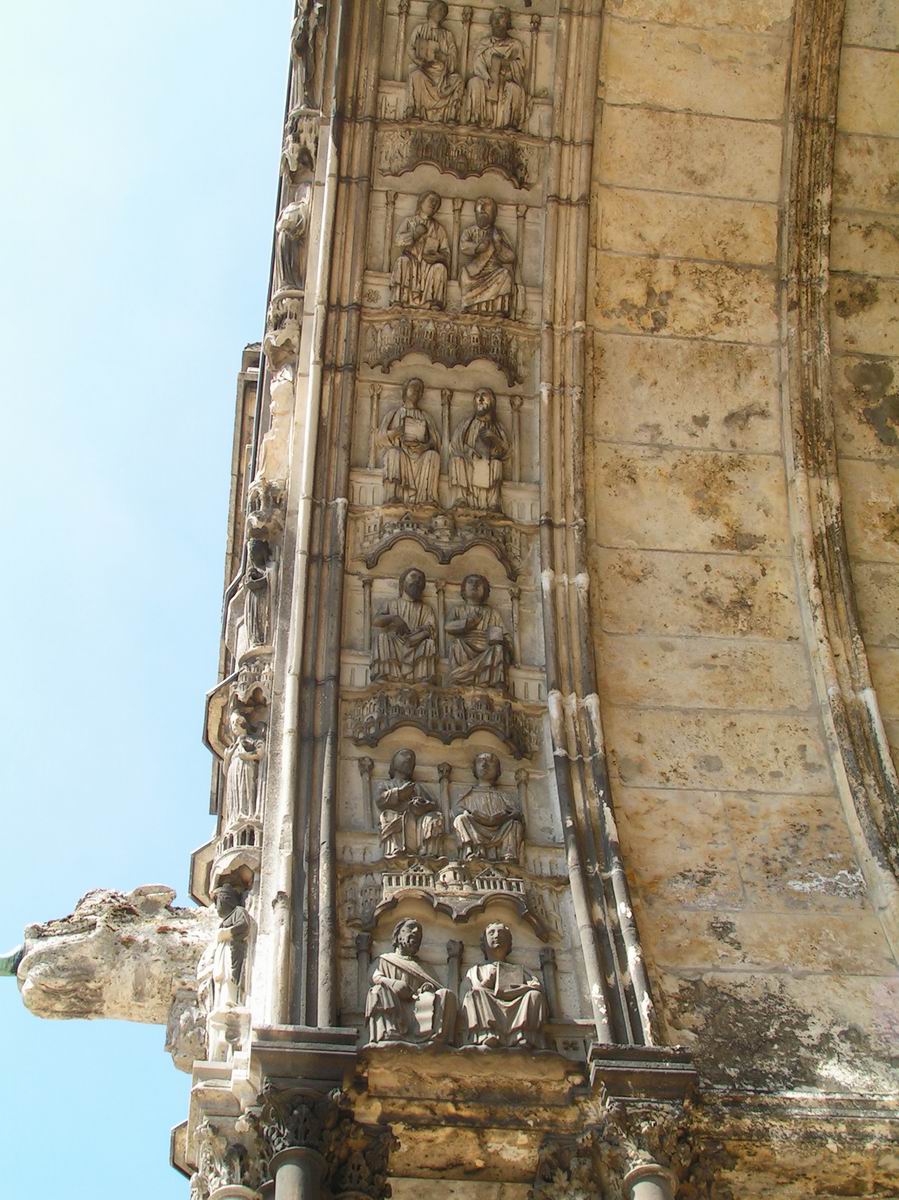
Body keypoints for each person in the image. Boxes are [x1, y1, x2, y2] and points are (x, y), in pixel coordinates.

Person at [365, 918, 457, 1045]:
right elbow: (374, 977)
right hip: (395, 1005)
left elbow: (436, 987)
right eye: (410, 928)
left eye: (419, 934)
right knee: (378, 991)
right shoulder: (383, 960)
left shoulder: (423, 966)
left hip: (419, 1007)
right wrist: (394, 984)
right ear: (398, 936)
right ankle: (389, 1032)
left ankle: (437, 1037)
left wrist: (426, 988)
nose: (415, 932)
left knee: (446, 994)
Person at [459, 922, 546, 1048]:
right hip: (488, 1006)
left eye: (501, 933)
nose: (496, 936)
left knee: (534, 995)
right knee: (475, 994)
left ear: (509, 943)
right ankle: (487, 1034)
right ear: (484, 943)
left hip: (517, 1005)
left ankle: (522, 1035)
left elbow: (537, 987)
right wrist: (487, 982)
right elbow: (464, 999)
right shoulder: (475, 971)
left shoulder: (519, 969)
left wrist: (523, 988)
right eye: (491, 933)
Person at [377, 377, 442, 505]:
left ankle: (426, 498)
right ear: (405, 390)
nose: (416, 391)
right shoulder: (394, 414)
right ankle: (393, 496)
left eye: (419, 389)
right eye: (413, 387)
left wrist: (425, 447)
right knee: (393, 453)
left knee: (433, 455)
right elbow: (379, 438)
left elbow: (436, 441)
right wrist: (395, 433)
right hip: (401, 454)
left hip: (420, 455)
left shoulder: (425, 416)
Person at [463, 6, 527, 130]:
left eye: (501, 18)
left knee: (515, 89)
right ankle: (476, 119)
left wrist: (506, 64)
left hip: (505, 80)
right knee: (473, 83)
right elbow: (477, 62)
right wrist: (486, 76)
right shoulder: (484, 43)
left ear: (508, 23)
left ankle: (509, 124)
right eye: (494, 19)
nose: (497, 22)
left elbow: (520, 67)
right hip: (486, 79)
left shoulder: (515, 44)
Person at [453, 752, 524, 862]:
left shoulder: (502, 795)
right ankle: (471, 851)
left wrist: (506, 816)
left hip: (499, 829)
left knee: (515, 824)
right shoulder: (468, 794)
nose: (484, 765)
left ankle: (508, 854)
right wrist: (474, 815)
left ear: (498, 771)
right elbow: (458, 810)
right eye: (480, 761)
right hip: (476, 826)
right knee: (460, 819)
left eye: (491, 762)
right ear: (474, 769)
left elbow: (517, 813)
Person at [372, 567, 438, 683]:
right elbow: (376, 621)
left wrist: (418, 636)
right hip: (396, 643)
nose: (417, 580)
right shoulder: (391, 604)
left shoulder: (426, 609)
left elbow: (431, 629)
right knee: (382, 638)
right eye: (413, 576)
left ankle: (423, 679)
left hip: (416, 644)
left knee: (429, 644)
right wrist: (393, 618)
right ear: (402, 582)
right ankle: (384, 676)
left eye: (421, 579)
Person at [450, 388, 511, 511]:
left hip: (487, 462)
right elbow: (455, 445)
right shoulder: (466, 424)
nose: (480, 399)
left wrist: (494, 438)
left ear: (492, 401)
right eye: (477, 396)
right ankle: (461, 499)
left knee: (497, 464)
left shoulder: (497, 428)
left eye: (484, 395)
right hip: (468, 462)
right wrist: (468, 451)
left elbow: (506, 451)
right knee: (457, 460)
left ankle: (493, 503)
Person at [445, 574, 509, 690]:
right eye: (470, 582)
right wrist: (469, 622)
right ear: (463, 589)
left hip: (486, 647)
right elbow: (448, 626)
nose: (474, 585)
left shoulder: (492, 613)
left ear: (485, 590)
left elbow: (504, 635)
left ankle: (495, 681)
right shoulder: (458, 610)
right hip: (465, 645)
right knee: (456, 644)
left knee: (498, 649)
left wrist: (500, 639)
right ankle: (459, 679)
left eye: (479, 583)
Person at [376, 748, 444, 858]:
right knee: (390, 816)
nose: (408, 758)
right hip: (397, 816)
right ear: (394, 763)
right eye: (404, 755)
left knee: (434, 817)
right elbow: (380, 800)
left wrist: (423, 805)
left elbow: (433, 804)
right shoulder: (385, 785)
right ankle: (396, 849)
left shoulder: (417, 787)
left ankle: (428, 852)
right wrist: (399, 793)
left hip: (416, 819)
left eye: (412, 759)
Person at [390, 191, 450, 309]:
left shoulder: (439, 229)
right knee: (402, 261)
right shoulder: (409, 221)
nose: (434, 204)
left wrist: (438, 257)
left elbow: (446, 253)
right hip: (411, 262)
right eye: (431, 200)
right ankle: (399, 299)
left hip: (428, 267)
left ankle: (433, 302)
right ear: (421, 202)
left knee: (440, 268)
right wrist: (414, 235)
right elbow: (398, 240)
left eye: (437, 203)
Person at [460, 197, 517, 318]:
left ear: (494, 215)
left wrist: (498, 245)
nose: (482, 211)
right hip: (474, 271)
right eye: (480, 211)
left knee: (505, 275)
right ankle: (470, 306)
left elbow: (510, 257)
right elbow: (463, 246)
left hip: (494, 271)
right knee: (464, 276)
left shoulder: (498, 234)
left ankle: (500, 309)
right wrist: (478, 247)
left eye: (486, 211)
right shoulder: (469, 231)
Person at [408, 2, 463, 123]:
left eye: (443, 11)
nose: (440, 13)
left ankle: (453, 115)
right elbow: (410, 49)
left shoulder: (447, 35)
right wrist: (420, 62)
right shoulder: (420, 29)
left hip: (442, 75)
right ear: (430, 11)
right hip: (425, 71)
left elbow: (454, 58)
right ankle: (416, 111)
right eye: (438, 9)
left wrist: (443, 57)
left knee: (458, 80)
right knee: (415, 75)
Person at [206, 885, 252, 1012]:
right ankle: (221, 1002)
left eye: (217, 903)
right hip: (224, 950)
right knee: (220, 977)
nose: (216, 908)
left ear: (225, 900)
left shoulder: (238, 911)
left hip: (232, 949)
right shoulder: (223, 921)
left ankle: (231, 1001)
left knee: (229, 976)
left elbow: (243, 925)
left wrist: (227, 932)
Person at [221, 712, 264, 830]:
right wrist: (227, 758)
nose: (234, 726)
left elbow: (261, 752)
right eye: (232, 724)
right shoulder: (232, 747)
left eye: (236, 722)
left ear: (243, 724)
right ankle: (236, 816)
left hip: (246, 767)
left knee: (246, 789)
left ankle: (248, 813)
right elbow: (225, 771)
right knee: (236, 793)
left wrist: (247, 756)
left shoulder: (250, 740)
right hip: (233, 773)